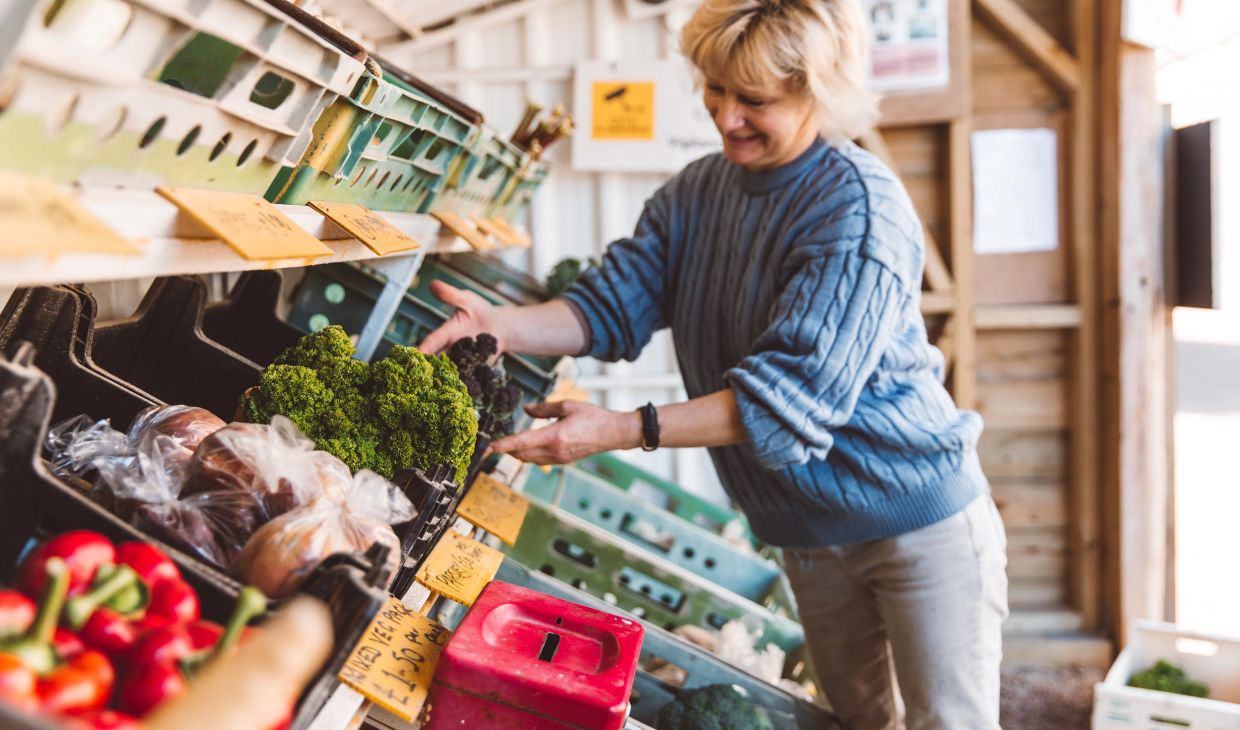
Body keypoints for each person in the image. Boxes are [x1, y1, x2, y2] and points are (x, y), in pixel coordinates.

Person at [419, 0, 1008, 727]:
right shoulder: (698, 192)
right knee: (860, 724)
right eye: (716, 91)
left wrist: (620, 427)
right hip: (809, 534)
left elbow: (789, 400)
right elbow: (611, 304)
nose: (727, 118)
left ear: (820, 92)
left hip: (918, 523)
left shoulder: (857, 210)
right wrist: (499, 326)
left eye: (754, 100)